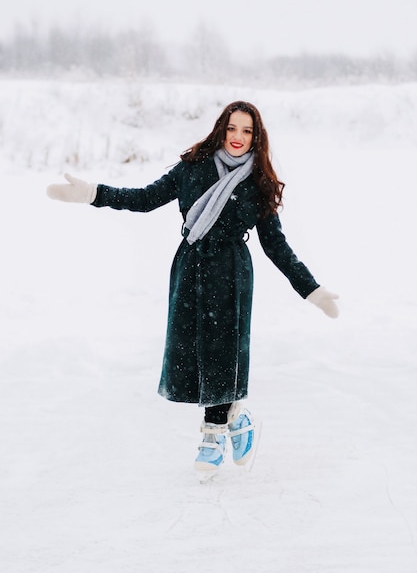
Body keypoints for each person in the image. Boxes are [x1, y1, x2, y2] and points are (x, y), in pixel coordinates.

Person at [47, 100, 339, 480]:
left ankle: (213, 434)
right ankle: (236, 414)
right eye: (233, 128)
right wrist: (93, 194)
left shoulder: (258, 183)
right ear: (222, 128)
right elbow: (145, 198)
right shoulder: (193, 166)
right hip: (190, 266)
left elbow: (276, 245)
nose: (238, 137)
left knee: (221, 348)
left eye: (247, 131)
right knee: (192, 352)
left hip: (232, 271)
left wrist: (311, 289)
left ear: (257, 137)